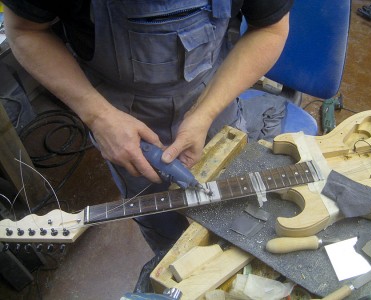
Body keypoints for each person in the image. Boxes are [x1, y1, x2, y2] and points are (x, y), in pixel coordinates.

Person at [3, 0, 293, 253]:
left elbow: (270, 29)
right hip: (121, 123)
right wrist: (98, 116)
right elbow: (25, 31)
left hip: (215, 99)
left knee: (241, 216)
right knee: (167, 234)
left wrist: (205, 112)